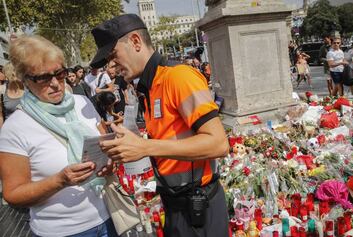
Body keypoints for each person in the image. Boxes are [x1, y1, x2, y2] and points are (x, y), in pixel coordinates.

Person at [90, 14, 229, 237]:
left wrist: (145, 147)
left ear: (136, 42)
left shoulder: (178, 77)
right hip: (175, 206)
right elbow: (170, 138)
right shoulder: (149, 85)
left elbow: (219, 143)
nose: (111, 65)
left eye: (113, 55)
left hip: (199, 210)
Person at [0, 35, 117, 237]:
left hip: (109, 217)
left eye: (60, 73)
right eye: (44, 78)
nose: (55, 83)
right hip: (61, 231)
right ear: (26, 80)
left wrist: (109, 162)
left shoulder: (83, 103)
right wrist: (60, 181)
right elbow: (13, 194)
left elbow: (106, 147)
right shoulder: (15, 128)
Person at [0, 63, 24, 128]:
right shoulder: (2, 90)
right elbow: (1, 116)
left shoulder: (28, 88)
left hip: (28, 129)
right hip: (10, 130)